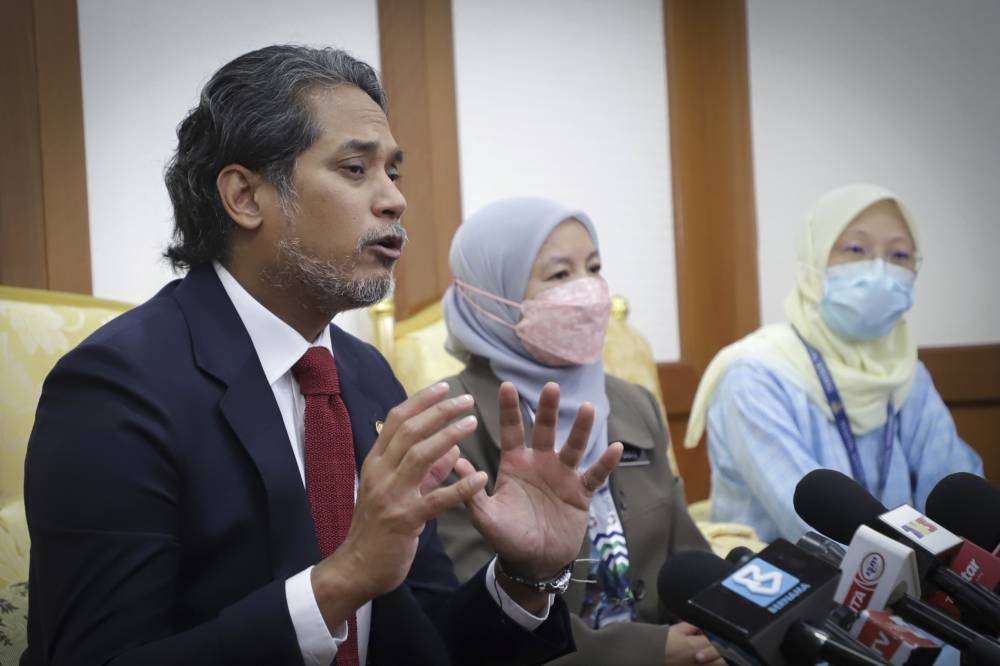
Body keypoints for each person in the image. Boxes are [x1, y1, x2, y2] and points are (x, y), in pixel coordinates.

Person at [21, 46, 625, 665]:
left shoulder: (366, 378)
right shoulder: (117, 387)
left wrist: (524, 578)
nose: (394, 200)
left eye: (394, 172)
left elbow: (427, 642)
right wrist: (344, 578)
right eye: (356, 169)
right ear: (245, 197)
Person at [436, 197, 724, 666]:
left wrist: (724, 628)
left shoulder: (632, 404)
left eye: (593, 268)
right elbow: (470, 611)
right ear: (491, 297)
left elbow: (687, 557)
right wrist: (648, 652)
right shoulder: (451, 422)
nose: (588, 291)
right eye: (559, 275)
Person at [684, 183, 984, 543]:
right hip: (789, 586)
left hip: (913, 588)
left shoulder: (906, 376)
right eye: (855, 249)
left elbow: (957, 498)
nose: (879, 270)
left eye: (900, 256)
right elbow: (809, 522)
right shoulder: (756, 373)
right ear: (813, 262)